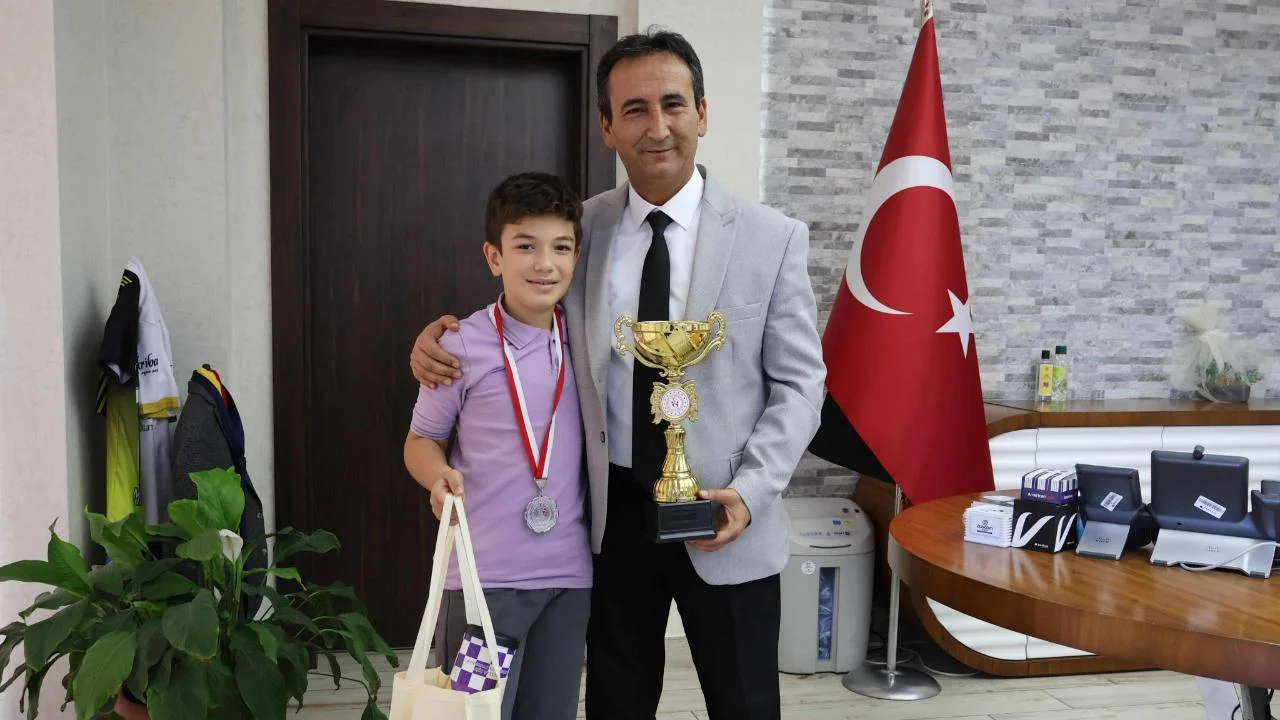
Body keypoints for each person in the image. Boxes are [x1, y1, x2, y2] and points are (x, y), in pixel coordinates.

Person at [410, 30, 825, 720]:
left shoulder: (771, 237)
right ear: (607, 126)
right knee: (615, 699)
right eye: (634, 109)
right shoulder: (580, 229)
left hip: (725, 512)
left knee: (746, 704)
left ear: (702, 113)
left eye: (673, 104)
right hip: (610, 519)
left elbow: (802, 386)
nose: (657, 127)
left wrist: (751, 492)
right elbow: (522, 308)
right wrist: (439, 336)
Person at [403, 172, 591, 720]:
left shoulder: (585, 339)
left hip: (568, 582)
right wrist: (436, 476)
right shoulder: (459, 345)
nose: (544, 264)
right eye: (525, 246)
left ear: (576, 257)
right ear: (494, 257)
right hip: (483, 583)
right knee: (475, 714)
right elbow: (421, 441)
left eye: (560, 247)